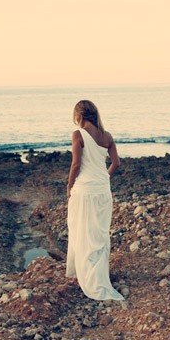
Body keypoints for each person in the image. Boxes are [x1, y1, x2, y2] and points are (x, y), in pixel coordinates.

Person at [66, 100, 124, 301]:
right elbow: (116, 163)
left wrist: (69, 186)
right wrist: (104, 177)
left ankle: (85, 276)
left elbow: (76, 164)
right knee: (98, 235)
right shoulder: (106, 136)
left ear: (79, 116)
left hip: (85, 191)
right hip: (102, 190)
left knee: (82, 232)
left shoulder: (78, 134)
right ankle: (99, 276)